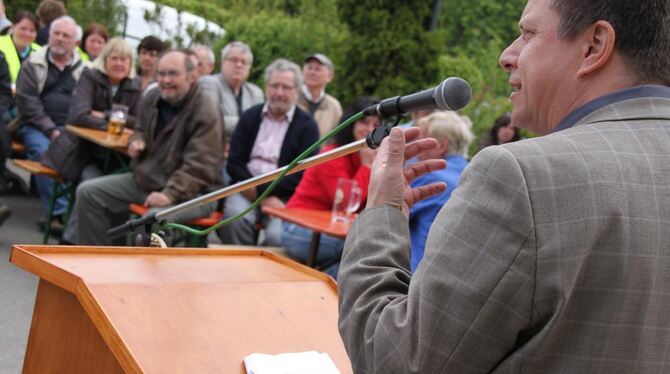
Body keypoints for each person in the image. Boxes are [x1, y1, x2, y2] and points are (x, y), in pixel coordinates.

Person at [337, 0, 670, 372]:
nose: (506, 55)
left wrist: (382, 212)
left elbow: (394, 360)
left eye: (527, 34)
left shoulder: (520, 175)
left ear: (594, 45)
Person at [75, 49, 223, 246]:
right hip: (149, 179)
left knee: (150, 222)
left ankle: (140, 276)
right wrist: (136, 141)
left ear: (192, 76)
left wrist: (169, 194)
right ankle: (96, 263)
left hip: (195, 193)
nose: (165, 80)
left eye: (173, 74)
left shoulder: (206, 107)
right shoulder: (152, 97)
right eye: (161, 74)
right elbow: (139, 129)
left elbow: (200, 166)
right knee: (88, 193)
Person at [218, 58, 319, 247]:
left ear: (296, 91)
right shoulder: (250, 116)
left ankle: (261, 274)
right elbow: (234, 162)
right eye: (274, 86)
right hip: (245, 187)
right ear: (266, 87)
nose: (279, 93)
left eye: (286, 87)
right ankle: (236, 271)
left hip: (282, 196)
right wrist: (256, 191)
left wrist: (262, 194)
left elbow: (303, 172)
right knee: (233, 219)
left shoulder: (307, 126)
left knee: (278, 237)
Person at [281, 97, 379, 276]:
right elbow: (346, 203)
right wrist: (366, 166)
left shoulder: (368, 157)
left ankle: (322, 282)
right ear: (351, 123)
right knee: (359, 251)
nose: (370, 129)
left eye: (376, 125)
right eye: (364, 122)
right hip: (298, 227)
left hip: (330, 229)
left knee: (366, 254)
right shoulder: (332, 155)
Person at [15, 16, 88, 229]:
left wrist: (68, 131)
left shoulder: (85, 70)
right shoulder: (33, 64)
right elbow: (28, 104)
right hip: (36, 126)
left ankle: (68, 215)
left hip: (71, 128)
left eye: (66, 35)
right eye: (56, 33)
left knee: (83, 158)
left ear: (75, 42)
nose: (59, 38)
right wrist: (51, 130)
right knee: (43, 152)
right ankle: (58, 213)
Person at [408, 111, 473, 271]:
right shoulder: (471, 174)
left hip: (413, 272)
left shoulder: (432, 177)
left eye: (421, 139)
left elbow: (389, 219)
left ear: (441, 146)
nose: (416, 145)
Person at [199, 41, 264, 138]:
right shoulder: (208, 83)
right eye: (233, 60)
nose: (239, 65)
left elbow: (262, 125)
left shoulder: (255, 92)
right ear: (222, 62)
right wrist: (249, 123)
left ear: (249, 67)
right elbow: (210, 121)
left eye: (244, 62)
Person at [296, 53, 342, 139]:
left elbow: (336, 138)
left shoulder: (334, 106)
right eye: (309, 68)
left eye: (317, 69)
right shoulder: (291, 99)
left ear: (330, 76)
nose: (312, 72)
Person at [0, 12, 39, 86]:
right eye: (23, 29)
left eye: (32, 31)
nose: (27, 34)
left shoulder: (40, 51)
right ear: (13, 27)